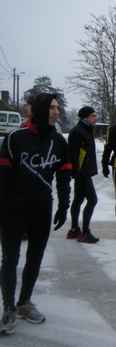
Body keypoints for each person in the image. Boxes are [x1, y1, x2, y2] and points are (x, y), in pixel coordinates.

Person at [0, 93, 72, 335]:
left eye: (58, 107)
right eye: (52, 107)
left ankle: (23, 303)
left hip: (42, 207)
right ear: (40, 110)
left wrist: (64, 206)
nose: (56, 112)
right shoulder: (15, 138)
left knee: (35, 257)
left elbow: (63, 176)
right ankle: (8, 307)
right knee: (10, 258)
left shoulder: (59, 142)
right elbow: (2, 177)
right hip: (13, 208)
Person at [66, 106, 99, 243]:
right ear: (85, 117)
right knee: (92, 200)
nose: (95, 118)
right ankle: (85, 232)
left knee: (78, 199)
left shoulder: (86, 130)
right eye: (93, 116)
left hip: (84, 172)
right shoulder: (78, 132)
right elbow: (73, 154)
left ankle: (74, 230)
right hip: (82, 173)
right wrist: (77, 173)